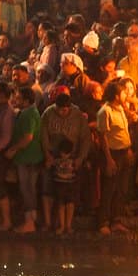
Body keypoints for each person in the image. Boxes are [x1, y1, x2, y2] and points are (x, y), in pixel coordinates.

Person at [40, 91, 90, 232]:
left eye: (65, 110)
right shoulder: (48, 114)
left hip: (71, 160)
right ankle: (48, 222)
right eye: (59, 110)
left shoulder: (78, 116)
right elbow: (43, 135)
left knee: (69, 196)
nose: (62, 113)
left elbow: (85, 138)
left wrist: (80, 158)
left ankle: (66, 224)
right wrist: (47, 155)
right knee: (47, 190)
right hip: (52, 158)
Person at [96, 81, 132, 235]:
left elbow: (123, 131)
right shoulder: (105, 112)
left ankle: (116, 220)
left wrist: (128, 149)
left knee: (121, 188)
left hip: (124, 153)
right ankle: (103, 222)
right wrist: (109, 159)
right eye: (123, 93)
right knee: (109, 188)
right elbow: (102, 136)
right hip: (112, 154)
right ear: (116, 96)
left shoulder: (121, 109)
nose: (126, 95)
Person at [7, 86, 44, 233]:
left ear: (26, 100)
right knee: (28, 189)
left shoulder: (29, 114)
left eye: (19, 98)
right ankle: (30, 220)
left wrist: (13, 149)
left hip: (28, 158)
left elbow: (27, 138)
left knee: (27, 189)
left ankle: (30, 222)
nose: (16, 100)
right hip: (26, 157)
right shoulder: (27, 113)